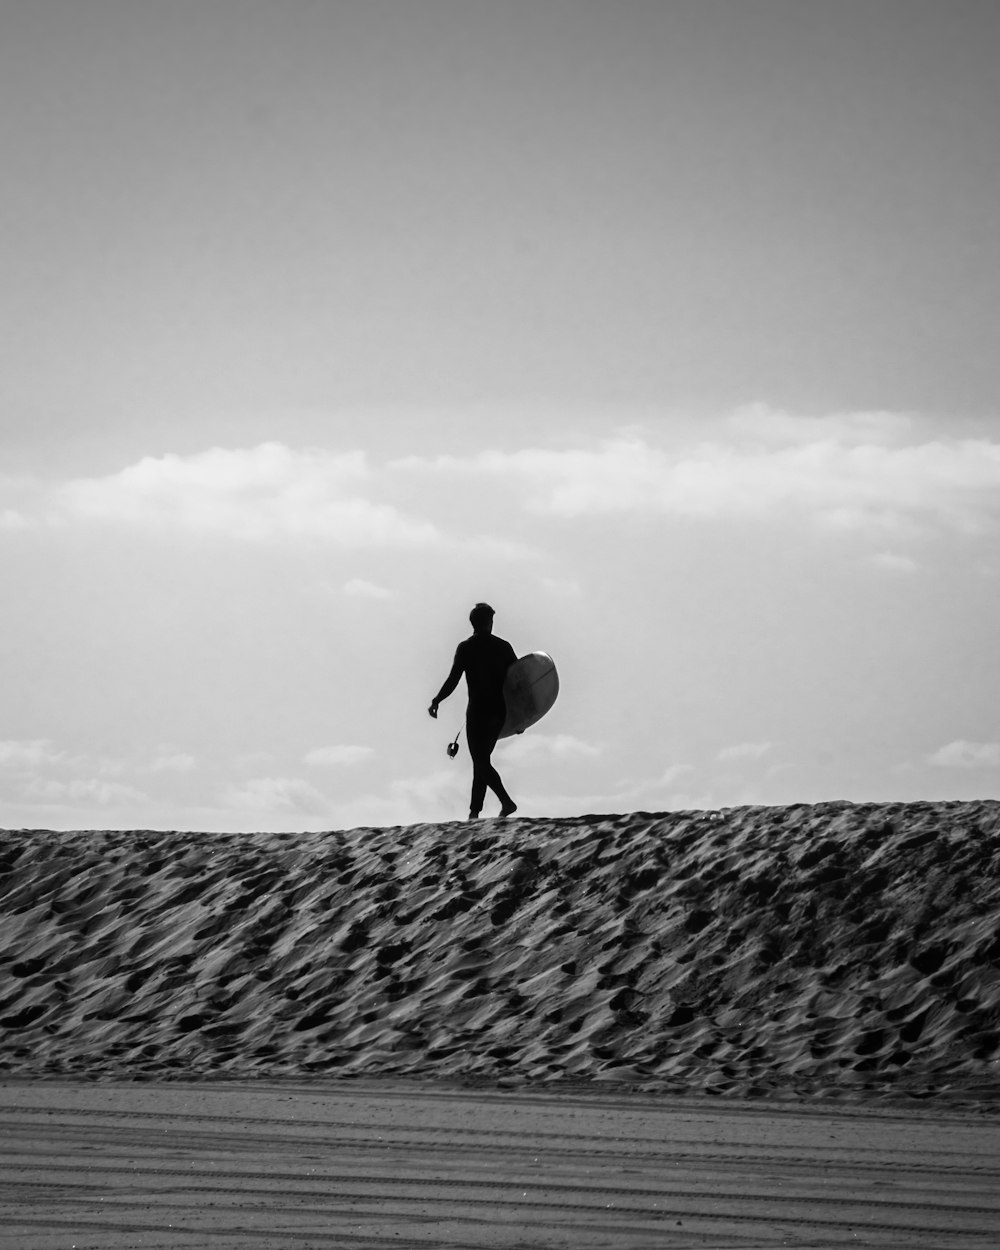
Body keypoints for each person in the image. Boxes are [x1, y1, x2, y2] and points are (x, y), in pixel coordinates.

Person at [429, 603, 518, 819]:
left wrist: (437, 700)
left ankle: (506, 802)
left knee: (480, 760)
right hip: (499, 712)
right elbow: (519, 682)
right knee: (482, 760)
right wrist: (521, 717)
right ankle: (474, 812)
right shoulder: (503, 647)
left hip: (478, 711)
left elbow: (453, 679)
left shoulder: (467, 647)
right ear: (488, 622)